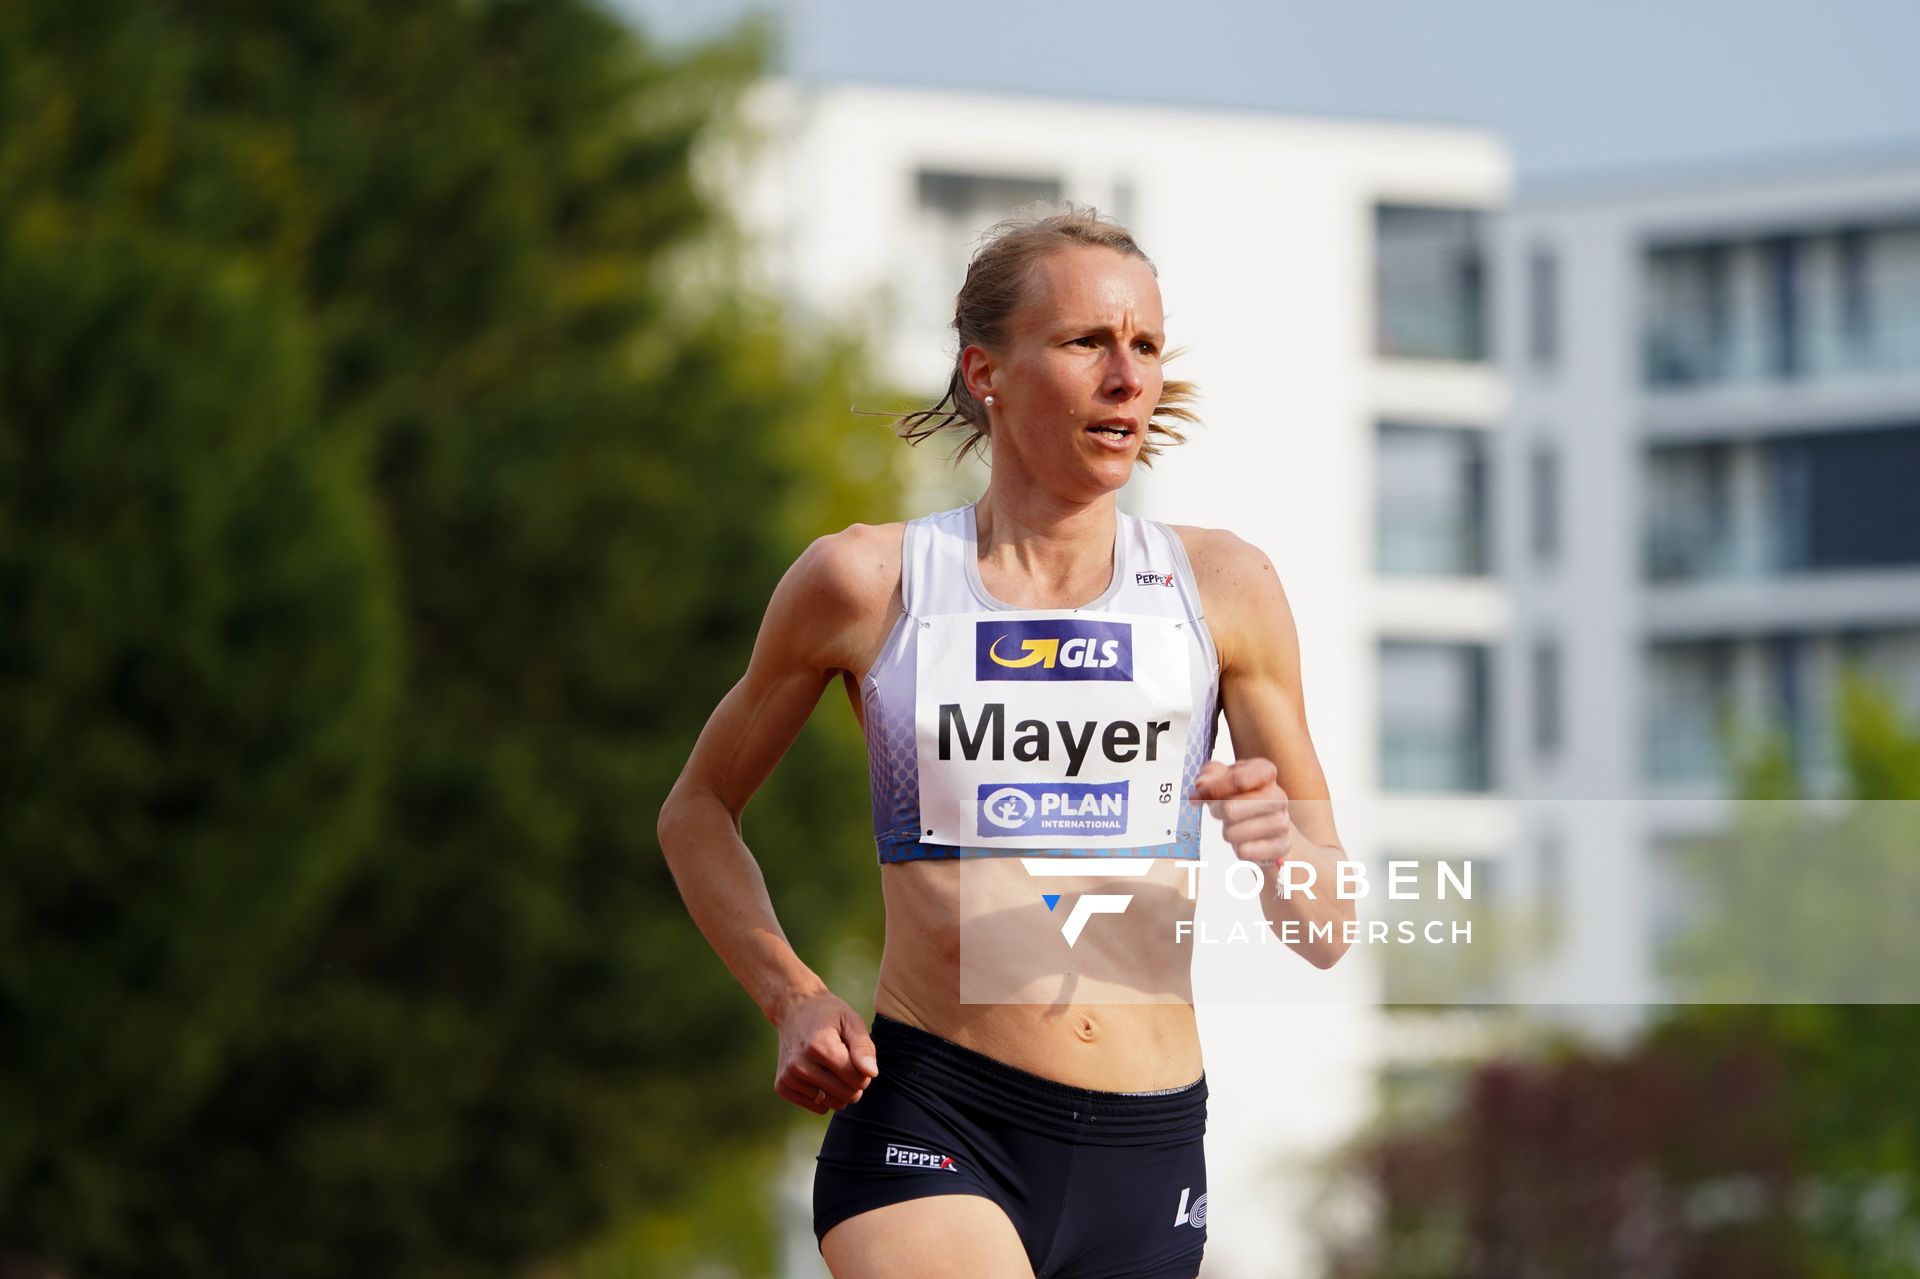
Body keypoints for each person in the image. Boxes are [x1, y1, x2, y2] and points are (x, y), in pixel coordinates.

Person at [658, 206, 1352, 1279]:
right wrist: (792, 995)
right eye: (1088, 343)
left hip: (1149, 1145)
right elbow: (697, 810)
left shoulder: (1222, 591)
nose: (1128, 376)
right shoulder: (869, 582)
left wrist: (1281, 848)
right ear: (986, 370)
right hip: (937, 1119)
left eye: (1148, 346)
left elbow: (1326, 926)